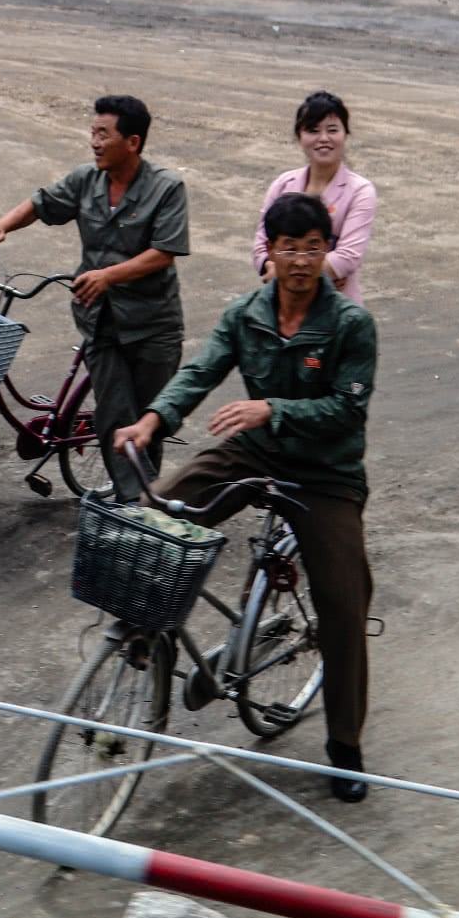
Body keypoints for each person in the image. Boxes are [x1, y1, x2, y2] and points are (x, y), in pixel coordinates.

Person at [114, 193, 378, 804]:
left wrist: (272, 407)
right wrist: (154, 419)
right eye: (290, 248)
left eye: (314, 247)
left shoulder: (350, 325)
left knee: (344, 604)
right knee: (159, 509)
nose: (302, 261)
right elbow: (201, 369)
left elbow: (348, 408)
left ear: (326, 251)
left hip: (326, 472)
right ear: (271, 252)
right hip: (256, 450)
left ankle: (346, 745)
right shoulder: (247, 313)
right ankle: (136, 628)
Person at [0, 95, 191, 501]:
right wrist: (1, 225)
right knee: (113, 415)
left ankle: (145, 500)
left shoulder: (166, 188)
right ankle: (133, 505)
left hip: (152, 326)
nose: (94, 142)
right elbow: (41, 203)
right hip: (99, 320)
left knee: (147, 421)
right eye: (93, 133)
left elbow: (165, 251)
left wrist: (108, 275)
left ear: (133, 142)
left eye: (104, 134)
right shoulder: (86, 180)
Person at [253, 91, 378, 302]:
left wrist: (283, 272)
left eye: (332, 130)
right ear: (299, 137)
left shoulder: (360, 191)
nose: (323, 139)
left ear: (345, 134)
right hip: (282, 305)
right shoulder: (283, 184)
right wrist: (273, 270)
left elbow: (347, 257)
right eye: (313, 130)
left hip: (336, 307)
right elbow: (261, 244)